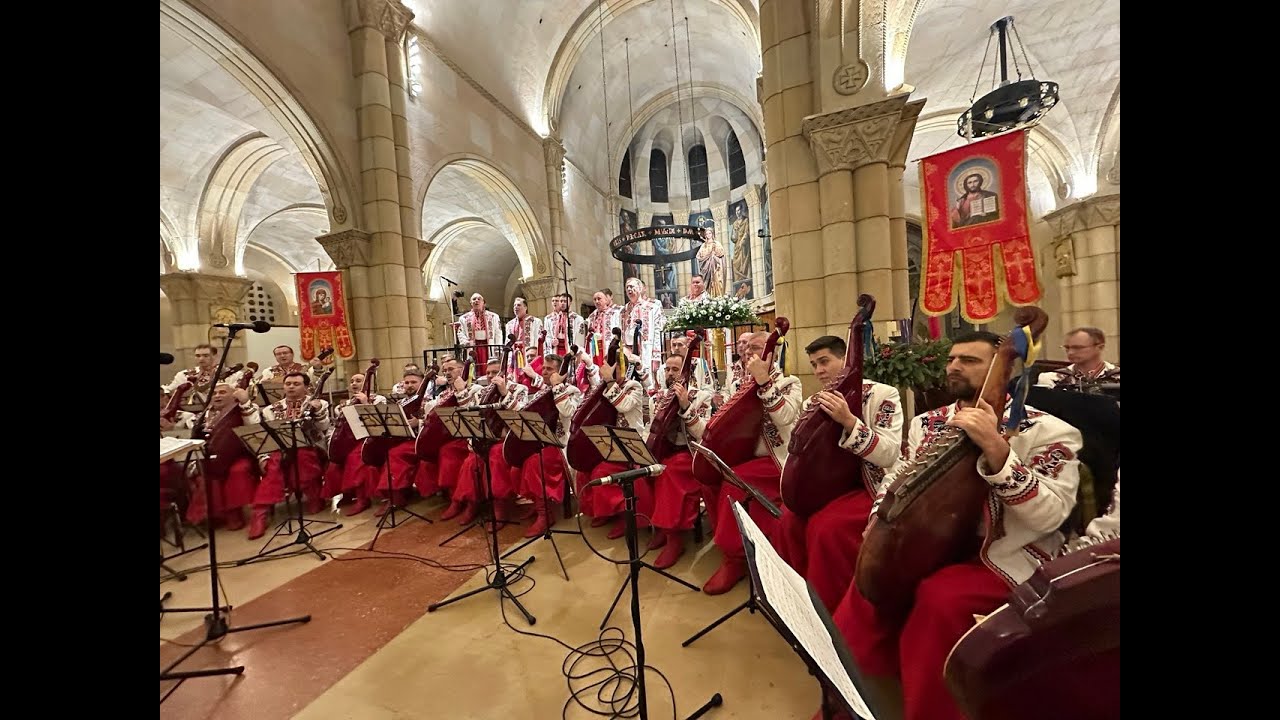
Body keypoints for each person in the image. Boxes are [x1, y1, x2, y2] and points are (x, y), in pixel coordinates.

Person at [826, 330, 1083, 720]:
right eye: (952, 359)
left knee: (939, 600)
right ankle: (850, 694)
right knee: (870, 586)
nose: (954, 367)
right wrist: (878, 521)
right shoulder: (928, 423)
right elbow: (897, 478)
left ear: (1004, 369)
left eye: (970, 360)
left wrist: (998, 452)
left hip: (1003, 554)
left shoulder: (1050, 431)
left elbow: (1051, 515)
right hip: (930, 542)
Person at [776, 335, 903, 612]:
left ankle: (831, 607)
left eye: (824, 361)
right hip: (829, 486)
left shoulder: (882, 395)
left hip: (871, 485)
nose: (819, 370)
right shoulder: (813, 401)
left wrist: (849, 422)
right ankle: (798, 596)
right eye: (813, 364)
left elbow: (890, 454)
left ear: (846, 361)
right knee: (789, 519)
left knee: (827, 527)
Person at [700, 332, 803, 595]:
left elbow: (785, 417)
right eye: (747, 349)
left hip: (776, 460)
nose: (749, 353)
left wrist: (764, 381)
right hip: (744, 456)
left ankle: (734, 560)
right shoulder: (740, 383)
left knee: (733, 483)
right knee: (707, 477)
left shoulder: (790, 382)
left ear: (773, 353)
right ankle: (733, 545)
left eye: (757, 348)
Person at [645, 352, 714, 568]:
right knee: (640, 471)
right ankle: (658, 527)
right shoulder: (657, 397)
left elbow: (703, 433)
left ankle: (674, 539)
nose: (670, 373)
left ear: (686, 373)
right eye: (667, 369)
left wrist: (685, 405)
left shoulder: (700, 396)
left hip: (689, 453)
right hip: (664, 451)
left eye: (675, 369)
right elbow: (653, 430)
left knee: (669, 473)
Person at [249, 371, 332, 539]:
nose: (291, 387)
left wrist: (317, 411)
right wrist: (263, 456)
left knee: (301, 455)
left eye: (296, 384)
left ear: (307, 387)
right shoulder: (271, 409)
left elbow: (323, 428)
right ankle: (260, 512)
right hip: (279, 451)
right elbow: (263, 437)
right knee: (275, 464)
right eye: (288, 384)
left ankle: (313, 495)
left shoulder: (318, 403)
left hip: (312, 447)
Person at [513, 354, 583, 538]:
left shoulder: (573, 391)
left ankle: (546, 515)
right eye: (543, 368)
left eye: (549, 369)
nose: (544, 372)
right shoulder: (540, 392)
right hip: (539, 442)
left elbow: (568, 412)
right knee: (515, 462)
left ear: (561, 372)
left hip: (562, 445)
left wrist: (558, 385)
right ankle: (538, 504)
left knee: (535, 463)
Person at [321, 372, 387, 517]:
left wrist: (365, 403)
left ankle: (363, 499)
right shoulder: (346, 403)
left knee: (355, 458)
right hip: (349, 439)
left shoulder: (379, 399)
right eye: (352, 381)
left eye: (359, 381)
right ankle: (347, 493)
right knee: (334, 463)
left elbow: (380, 422)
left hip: (371, 438)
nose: (354, 384)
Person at [1037, 327, 1120, 390]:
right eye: (1067, 348)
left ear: (1100, 347)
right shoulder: (1051, 379)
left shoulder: (1117, 376)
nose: (1070, 352)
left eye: (1077, 348)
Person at [456, 293, 503, 368]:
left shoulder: (494, 316)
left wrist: (498, 348)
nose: (476, 301)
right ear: (471, 303)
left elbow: (498, 333)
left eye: (479, 299)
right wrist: (465, 343)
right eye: (474, 299)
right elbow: (460, 332)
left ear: (483, 302)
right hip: (473, 346)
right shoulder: (463, 318)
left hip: (489, 346)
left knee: (490, 365)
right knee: (473, 367)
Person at [585, 288, 622, 367]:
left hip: (610, 345)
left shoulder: (616, 312)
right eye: (595, 299)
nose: (597, 301)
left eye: (599, 299)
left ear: (606, 300)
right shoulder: (592, 316)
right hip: (595, 347)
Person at [695, 227, 727, 297]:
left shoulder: (717, 243)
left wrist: (714, 255)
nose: (708, 235)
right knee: (707, 284)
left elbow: (721, 254)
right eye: (706, 234)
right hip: (706, 268)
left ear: (712, 234)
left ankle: (718, 296)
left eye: (710, 233)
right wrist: (706, 256)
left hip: (715, 267)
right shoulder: (704, 245)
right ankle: (708, 296)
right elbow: (698, 256)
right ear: (705, 235)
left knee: (717, 282)